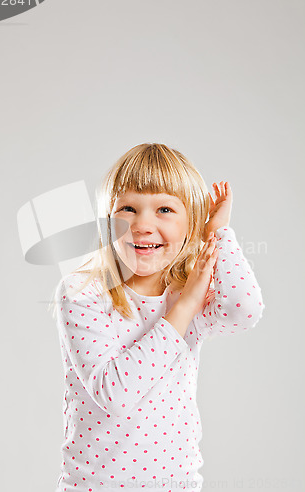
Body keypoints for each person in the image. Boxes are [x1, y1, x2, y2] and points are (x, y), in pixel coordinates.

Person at [50, 143, 265, 492]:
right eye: (128, 209)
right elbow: (116, 394)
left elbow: (243, 310)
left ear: (190, 223)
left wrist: (218, 235)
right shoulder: (82, 292)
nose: (143, 225)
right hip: (95, 485)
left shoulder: (186, 290)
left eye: (164, 209)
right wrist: (183, 310)